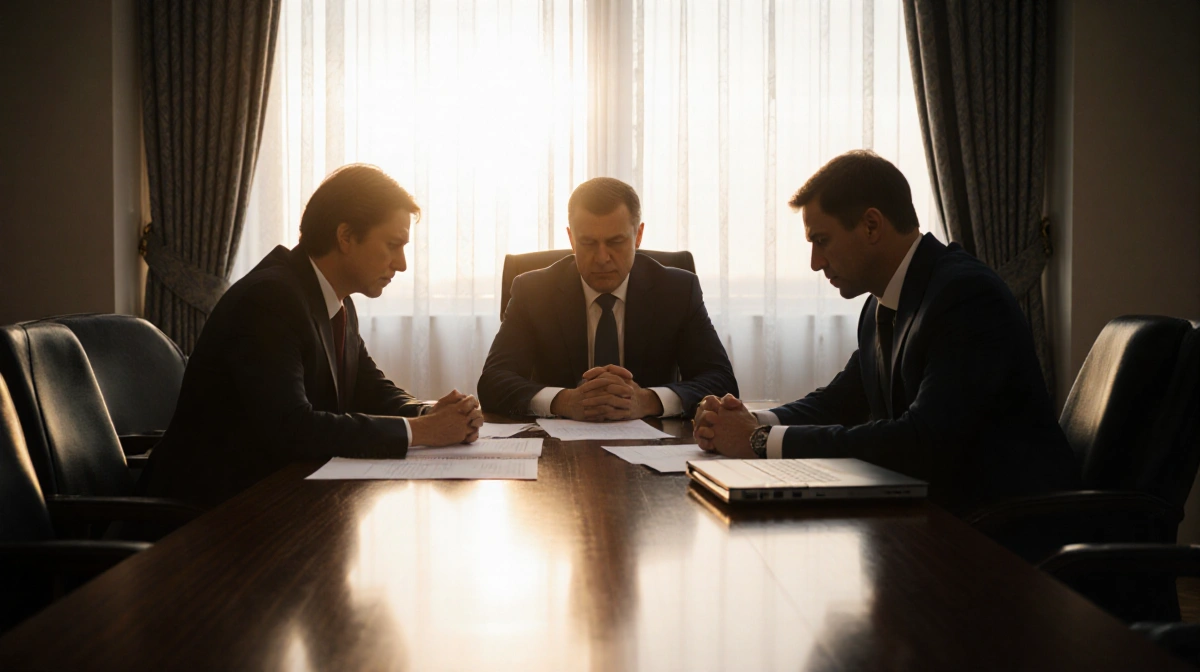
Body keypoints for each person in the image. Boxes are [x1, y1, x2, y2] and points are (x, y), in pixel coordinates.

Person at [693, 151, 1078, 513]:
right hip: (934, 515)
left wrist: (756, 442)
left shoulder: (965, 296)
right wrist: (751, 422)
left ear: (872, 225)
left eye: (821, 240)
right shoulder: (882, 303)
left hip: (1002, 533)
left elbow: (920, 442)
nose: (815, 263)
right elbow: (838, 401)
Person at [144, 164, 483, 508]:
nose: (402, 264)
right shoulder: (271, 299)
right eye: (393, 245)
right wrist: (423, 432)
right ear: (346, 236)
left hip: (275, 495)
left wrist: (429, 413)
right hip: (206, 514)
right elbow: (292, 427)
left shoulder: (336, 298)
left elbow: (368, 388)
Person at [478, 177, 738, 421]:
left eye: (615, 242)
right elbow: (493, 381)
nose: (602, 258)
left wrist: (647, 401)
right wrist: (564, 401)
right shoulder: (533, 291)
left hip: (652, 445)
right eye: (588, 243)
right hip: (558, 449)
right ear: (571, 239)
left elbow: (722, 381)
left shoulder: (677, 290)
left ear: (638, 236)